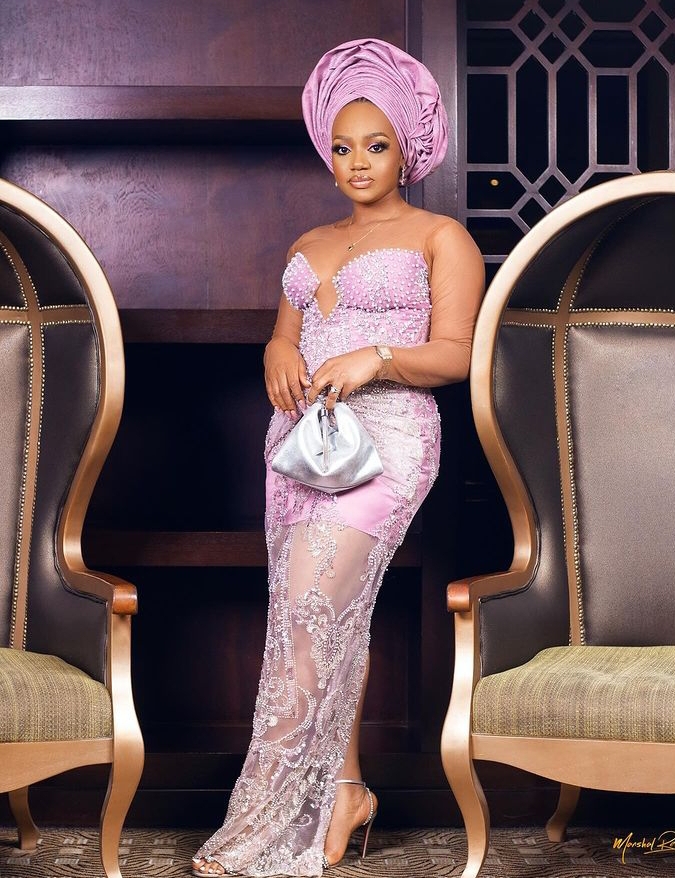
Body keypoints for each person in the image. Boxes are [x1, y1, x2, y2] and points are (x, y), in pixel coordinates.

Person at [192, 37, 484, 877]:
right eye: (343, 146)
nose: (357, 162)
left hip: (389, 438)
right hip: (298, 444)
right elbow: (285, 336)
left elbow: (457, 354)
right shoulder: (306, 242)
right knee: (317, 619)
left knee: (310, 614)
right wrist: (275, 353)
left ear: (406, 150)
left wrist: (375, 359)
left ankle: (260, 828)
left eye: (375, 145)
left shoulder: (440, 237)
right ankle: (347, 792)